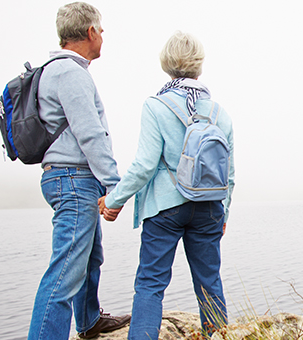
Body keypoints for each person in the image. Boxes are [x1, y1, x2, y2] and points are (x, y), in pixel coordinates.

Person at [99, 31, 235, 340]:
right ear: (199, 64)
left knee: (150, 283)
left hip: (165, 207)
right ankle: (218, 336)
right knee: (209, 282)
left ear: (166, 64)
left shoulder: (156, 106)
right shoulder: (219, 113)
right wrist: (223, 214)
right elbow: (229, 174)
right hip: (209, 207)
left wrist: (115, 200)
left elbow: (145, 165)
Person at [28, 2, 131, 340]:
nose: (103, 36)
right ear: (90, 33)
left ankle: (88, 321)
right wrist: (115, 188)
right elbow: (90, 134)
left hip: (68, 177)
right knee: (64, 273)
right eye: (100, 31)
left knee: (88, 256)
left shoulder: (52, 70)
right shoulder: (71, 73)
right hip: (73, 179)